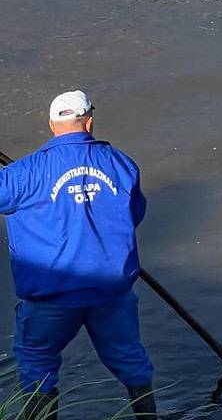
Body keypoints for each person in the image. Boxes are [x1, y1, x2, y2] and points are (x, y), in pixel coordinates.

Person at [0, 91, 157, 419]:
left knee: (36, 366)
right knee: (132, 362)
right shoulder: (121, 164)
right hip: (112, 292)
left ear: (51, 125)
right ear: (89, 121)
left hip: (50, 298)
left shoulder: (23, 173)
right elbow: (134, 214)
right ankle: (148, 416)